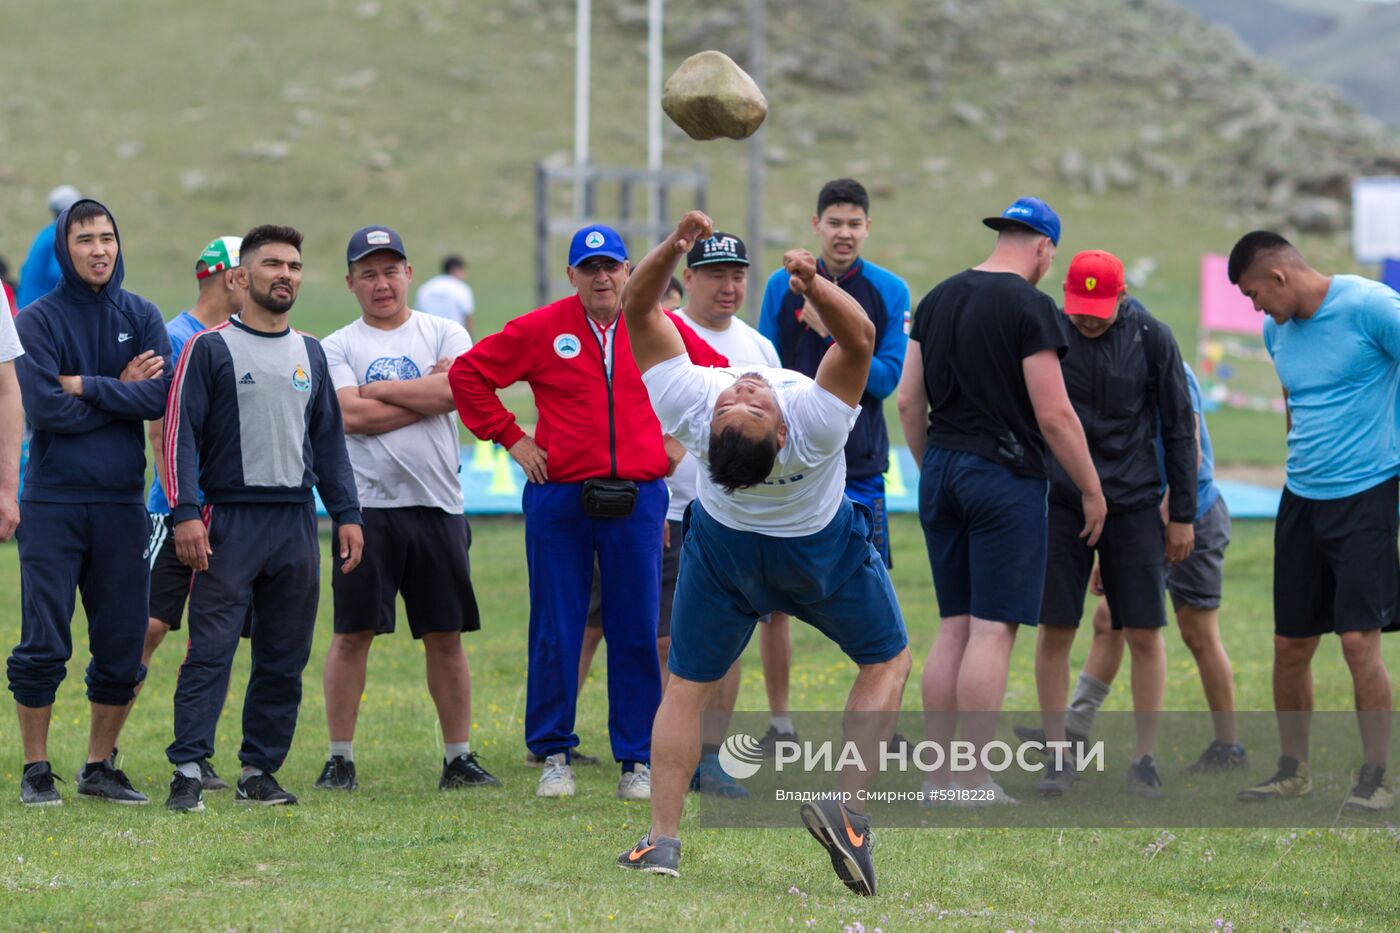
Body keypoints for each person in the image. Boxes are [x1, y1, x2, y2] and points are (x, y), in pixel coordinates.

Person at [615, 211, 911, 896]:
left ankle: (661, 840)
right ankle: (850, 808)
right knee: (887, 659)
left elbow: (637, 305)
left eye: (739, 402)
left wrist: (676, 247)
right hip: (819, 550)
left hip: (724, 550)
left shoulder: (691, 403)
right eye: (747, 403)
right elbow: (860, 338)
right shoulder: (813, 422)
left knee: (685, 686)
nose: (744, 390)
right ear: (780, 434)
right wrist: (813, 284)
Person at [450, 224, 727, 801]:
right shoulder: (541, 328)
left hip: (638, 497)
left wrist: (678, 444)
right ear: (572, 274)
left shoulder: (658, 326)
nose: (603, 277)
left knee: (635, 625)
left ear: (629, 272)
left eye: (613, 267)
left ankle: (636, 760)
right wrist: (513, 438)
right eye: (589, 268)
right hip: (560, 495)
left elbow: (717, 376)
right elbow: (467, 375)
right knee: (558, 623)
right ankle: (553, 752)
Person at [896, 197, 1105, 804]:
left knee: (953, 626)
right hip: (1003, 477)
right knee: (993, 631)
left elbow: (909, 401)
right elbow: (1055, 415)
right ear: (1044, 247)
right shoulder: (1031, 306)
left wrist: (930, 464)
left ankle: (938, 778)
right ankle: (972, 779)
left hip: (941, 469)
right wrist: (1092, 490)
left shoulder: (936, 297)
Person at [163, 224, 364, 812]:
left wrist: (347, 514)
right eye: (272, 264)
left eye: (295, 266)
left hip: (296, 522)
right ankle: (188, 767)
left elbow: (329, 443)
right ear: (241, 277)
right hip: (227, 521)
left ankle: (258, 771)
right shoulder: (210, 347)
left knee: (284, 653)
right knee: (212, 649)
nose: (285, 274)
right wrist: (184, 514)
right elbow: (180, 439)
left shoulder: (312, 352)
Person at [316, 226, 497, 793]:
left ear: (409, 273)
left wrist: (381, 394)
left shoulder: (445, 330)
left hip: (438, 505)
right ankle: (340, 758)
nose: (381, 282)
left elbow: (459, 396)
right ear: (350, 283)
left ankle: (458, 758)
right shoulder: (336, 346)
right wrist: (426, 389)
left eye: (390, 270)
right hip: (364, 509)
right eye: (368, 273)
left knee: (446, 634)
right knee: (353, 633)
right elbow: (349, 416)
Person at [1228, 230, 1398, 812]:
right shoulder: (1276, 331)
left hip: (1368, 496)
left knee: (1357, 641)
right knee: (1289, 645)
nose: (1255, 308)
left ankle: (1379, 777)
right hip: (1301, 499)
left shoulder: (1371, 306)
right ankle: (1291, 771)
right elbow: (1295, 408)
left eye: (1254, 294)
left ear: (1279, 277)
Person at [10, 198, 172, 806]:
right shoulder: (37, 321)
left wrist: (86, 385)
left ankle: (99, 767)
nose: (99, 249)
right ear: (63, 248)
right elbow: (47, 409)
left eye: (108, 237)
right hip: (52, 503)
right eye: (85, 240)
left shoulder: (142, 313)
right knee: (45, 640)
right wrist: (118, 389)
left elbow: (155, 398)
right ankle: (35, 769)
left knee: (123, 640)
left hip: (121, 506)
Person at [1024, 250, 1196, 799]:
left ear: (1121, 297)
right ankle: (1057, 755)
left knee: (1143, 631)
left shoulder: (1153, 337)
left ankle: (1144, 758)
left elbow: (1179, 429)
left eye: (1099, 309)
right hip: (1062, 500)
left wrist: (1182, 513)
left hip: (1134, 501)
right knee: (1056, 628)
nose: (1088, 319)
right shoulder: (1047, 331)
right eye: (1080, 309)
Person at [1019, 360, 1243, 776]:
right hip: (1141, 515)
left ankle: (1229, 745)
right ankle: (1074, 728)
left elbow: (1187, 447)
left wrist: (1173, 516)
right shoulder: (1106, 372)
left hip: (1190, 514)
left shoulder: (1169, 367)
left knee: (1197, 631)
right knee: (1110, 620)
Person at [757, 178, 909, 751]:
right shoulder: (780, 285)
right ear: (816, 225)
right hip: (788, 467)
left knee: (874, 592)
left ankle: (876, 723)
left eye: (854, 223)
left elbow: (890, 378)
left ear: (868, 228)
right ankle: (779, 722)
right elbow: (767, 364)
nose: (843, 233)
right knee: (773, 606)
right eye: (833, 222)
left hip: (862, 466)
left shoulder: (890, 290)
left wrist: (842, 339)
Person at [139, 237, 245, 793]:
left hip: (229, 513)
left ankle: (196, 756)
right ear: (231, 278)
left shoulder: (239, 339)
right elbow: (161, 429)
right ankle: (101, 754)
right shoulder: (177, 338)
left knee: (216, 635)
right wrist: (181, 504)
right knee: (149, 628)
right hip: (175, 512)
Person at [17, 185, 82, 309]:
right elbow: (57, 273)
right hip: (39, 312)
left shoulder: (47, 232)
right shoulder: (60, 234)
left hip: (27, 307)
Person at [415, 254, 475, 337]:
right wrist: (471, 339)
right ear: (456, 269)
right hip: (454, 336)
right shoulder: (461, 288)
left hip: (429, 336)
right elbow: (468, 318)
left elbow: (418, 315)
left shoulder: (426, 287)